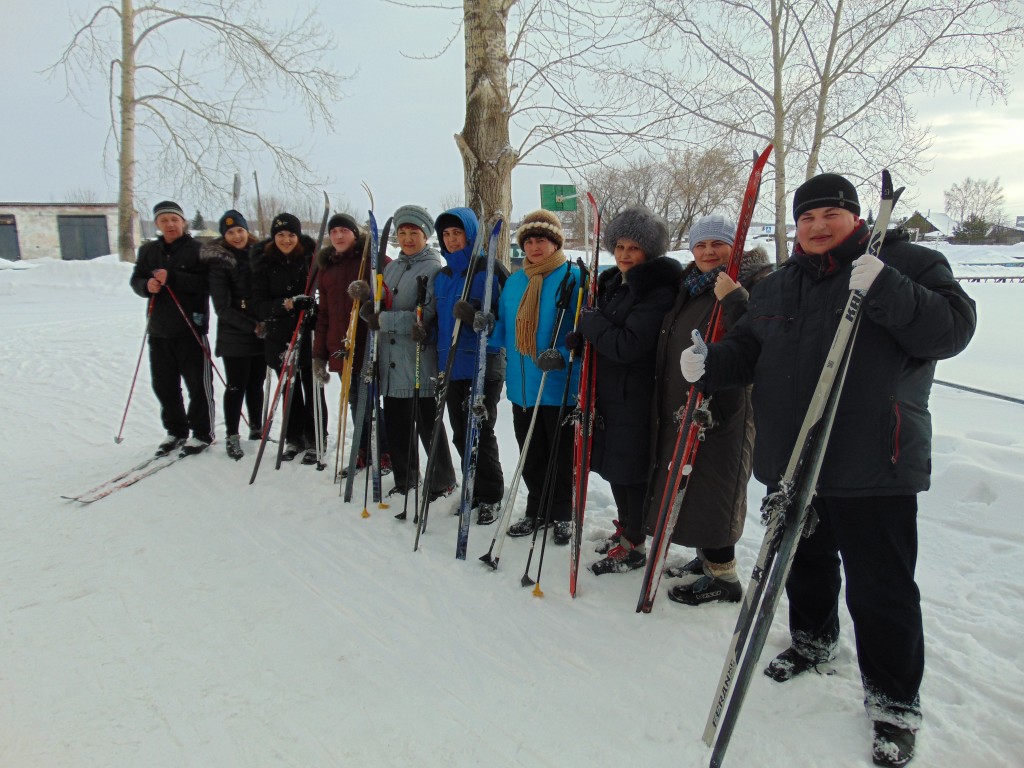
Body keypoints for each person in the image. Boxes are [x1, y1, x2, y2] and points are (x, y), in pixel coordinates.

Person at [679, 173, 977, 766]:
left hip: (874, 460)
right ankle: (813, 641)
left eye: (829, 215)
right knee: (804, 563)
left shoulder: (909, 263)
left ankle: (894, 703)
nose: (816, 227)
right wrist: (709, 363)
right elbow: (749, 351)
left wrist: (887, 285)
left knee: (881, 587)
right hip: (793, 456)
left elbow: (951, 331)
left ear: (857, 217)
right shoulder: (779, 285)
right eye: (806, 218)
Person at [643, 214, 771, 604]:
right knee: (694, 482)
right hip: (687, 399)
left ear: (736, 247)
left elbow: (758, 338)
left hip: (726, 404)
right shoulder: (693, 285)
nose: (708, 251)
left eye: (718, 244)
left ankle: (723, 575)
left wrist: (735, 297)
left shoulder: (755, 283)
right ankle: (706, 559)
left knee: (717, 486)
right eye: (700, 245)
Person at [577, 205, 683, 574]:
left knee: (630, 471)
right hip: (610, 392)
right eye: (620, 246)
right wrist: (583, 338)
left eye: (634, 248)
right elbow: (605, 328)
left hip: (634, 395)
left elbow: (628, 345)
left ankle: (634, 543)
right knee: (615, 467)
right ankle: (626, 528)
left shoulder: (655, 290)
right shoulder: (619, 284)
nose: (624, 254)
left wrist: (591, 325)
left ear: (649, 251)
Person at [352, 205, 455, 501]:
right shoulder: (392, 268)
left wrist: (383, 321)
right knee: (397, 424)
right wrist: (369, 308)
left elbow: (427, 315)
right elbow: (382, 304)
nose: (408, 239)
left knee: (428, 424)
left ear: (425, 235)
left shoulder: (433, 269)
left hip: (418, 359)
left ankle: (442, 480)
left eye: (414, 233)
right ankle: (405, 477)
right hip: (390, 361)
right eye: (402, 232)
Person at [490, 210, 581, 538]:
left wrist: (566, 356)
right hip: (522, 385)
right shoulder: (516, 282)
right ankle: (537, 509)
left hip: (558, 383)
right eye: (528, 241)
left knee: (560, 454)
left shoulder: (573, 277)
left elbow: (584, 331)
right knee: (531, 452)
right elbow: (504, 329)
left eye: (541, 240)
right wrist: (485, 327)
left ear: (555, 242)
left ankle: (564, 511)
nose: (534, 247)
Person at [434, 207, 509, 516]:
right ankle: (474, 488)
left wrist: (478, 316)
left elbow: (506, 317)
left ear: (471, 235)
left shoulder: (490, 269)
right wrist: (424, 329)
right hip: (451, 365)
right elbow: (437, 319)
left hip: (483, 363)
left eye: (458, 233)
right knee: (460, 432)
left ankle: (491, 494)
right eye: (446, 234)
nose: (452, 239)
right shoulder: (442, 276)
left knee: (480, 430)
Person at [129, 200, 215, 456]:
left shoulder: (198, 249)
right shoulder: (148, 251)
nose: (170, 224)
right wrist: (146, 286)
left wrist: (173, 278)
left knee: (198, 385)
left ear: (183, 222)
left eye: (174, 219)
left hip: (191, 329)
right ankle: (176, 431)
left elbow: (207, 283)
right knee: (164, 385)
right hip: (159, 330)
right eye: (164, 220)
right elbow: (136, 279)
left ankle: (202, 432)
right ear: (157, 223)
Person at [312, 213, 390, 473]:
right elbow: (324, 314)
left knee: (369, 401)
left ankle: (384, 451)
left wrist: (370, 293)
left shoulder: (371, 260)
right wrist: (319, 354)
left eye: (344, 230)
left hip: (368, 343)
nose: (338, 236)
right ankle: (363, 449)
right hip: (341, 346)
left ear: (354, 234)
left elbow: (389, 292)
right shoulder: (327, 269)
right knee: (355, 401)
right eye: (334, 232)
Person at [251, 212, 325, 464]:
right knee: (288, 389)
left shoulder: (311, 259)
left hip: (308, 332)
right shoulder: (263, 263)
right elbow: (259, 306)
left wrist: (313, 306)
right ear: (274, 237)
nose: (286, 239)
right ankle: (294, 438)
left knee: (312, 387)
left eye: (291, 234)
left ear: (298, 236)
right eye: (281, 234)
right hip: (279, 335)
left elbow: (322, 294)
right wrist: (287, 304)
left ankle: (316, 439)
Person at [201, 210, 266, 461]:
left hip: (260, 333)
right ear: (224, 235)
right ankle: (232, 435)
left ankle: (257, 429)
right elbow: (222, 308)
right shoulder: (220, 262)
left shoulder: (258, 254)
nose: (237, 236)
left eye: (240, 230)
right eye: (230, 232)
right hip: (234, 336)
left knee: (256, 384)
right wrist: (253, 326)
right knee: (236, 386)